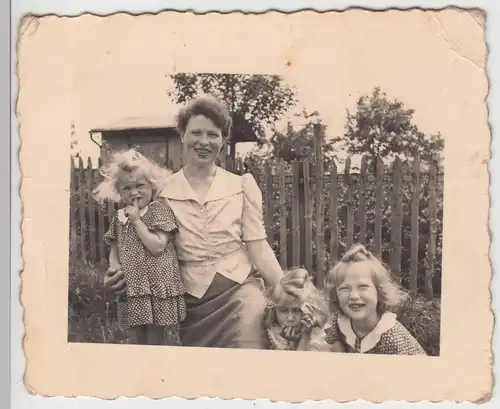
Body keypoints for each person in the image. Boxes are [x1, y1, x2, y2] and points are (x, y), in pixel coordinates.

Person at [103, 94, 284, 348]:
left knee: (247, 350)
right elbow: (137, 240)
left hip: (241, 293)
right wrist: (117, 274)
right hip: (191, 303)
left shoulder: (241, 186)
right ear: (183, 136)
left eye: (213, 134)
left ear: (223, 140)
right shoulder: (162, 190)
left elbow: (258, 246)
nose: (204, 141)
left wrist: (286, 290)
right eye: (196, 133)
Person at [94, 149, 186, 345]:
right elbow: (114, 251)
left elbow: (159, 246)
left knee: (154, 340)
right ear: (119, 192)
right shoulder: (119, 218)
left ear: (152, 186)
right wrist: (115, 270)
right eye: (127, 188)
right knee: (135, 338)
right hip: (133, 288)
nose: (134, 192)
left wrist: (137, 221)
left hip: (155, 287)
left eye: (140, 186)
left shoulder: (158, 210)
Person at [323, 244, 426, 355]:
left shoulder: (391, 337)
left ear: (379, 292)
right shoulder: (340, 322)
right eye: (345, 288)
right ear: (335, 295)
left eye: (363, 287)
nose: (353, 296)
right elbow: (334, 344)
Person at [263, 267, 335, 352]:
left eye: (297, 311)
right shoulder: (272, 332)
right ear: (274, 310)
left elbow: (302, 363)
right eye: (283, 310)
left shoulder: (322, 334)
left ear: (310, 308)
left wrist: (305, 336)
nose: (290, 318)